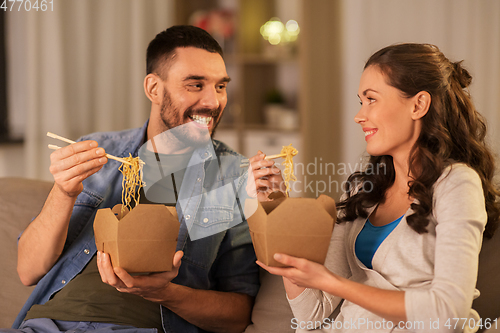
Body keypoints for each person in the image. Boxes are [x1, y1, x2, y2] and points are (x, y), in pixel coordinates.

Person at [8, 25, 283, 333]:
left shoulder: (234, 178)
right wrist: (62, 192)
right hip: (44, 326)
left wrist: (164, 293)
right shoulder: (99, 150)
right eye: (195, 85)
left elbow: (238, 315)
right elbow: (27, 270)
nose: (213, 102)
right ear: (154, 88)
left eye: (220, 86)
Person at [259, 43, 500, 332]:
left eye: (371, 99)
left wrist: (333, 283)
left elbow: (448, 313)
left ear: (418, 105)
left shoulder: (457, 184)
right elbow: (312, 313)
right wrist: (278, 209)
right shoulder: (362, 191)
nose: (359, 116)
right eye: (361, 101)